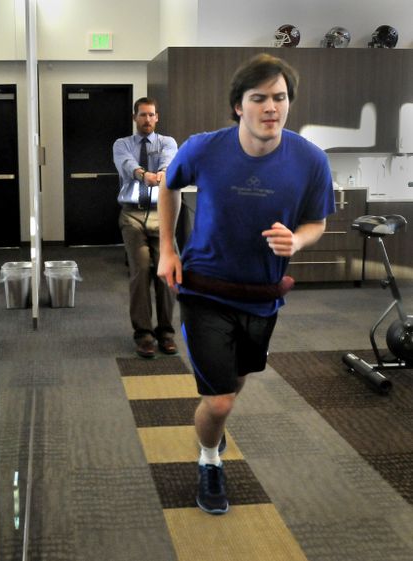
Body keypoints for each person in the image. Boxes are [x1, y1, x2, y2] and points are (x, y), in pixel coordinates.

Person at [157, 54, 334, 515]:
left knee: (232, 389)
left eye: (280, 97)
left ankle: (213, 436)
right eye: (259, 98)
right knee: (217, 403)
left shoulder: (310, 160)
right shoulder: (204, 148)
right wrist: (167, 250)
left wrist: (296, 240)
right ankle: (210, 459)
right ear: (239, 105)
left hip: (262, 298)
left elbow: (317, 222)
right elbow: (168, 186)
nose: (271, 107)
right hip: (204, 291)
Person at [112, 97, 179, 358]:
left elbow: (169, 160)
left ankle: (165, 332)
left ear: (157, 117)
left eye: (151, 115)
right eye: (142, 115)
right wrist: (143, 175)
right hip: (132, 216)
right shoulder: (122, 144)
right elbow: (126, 165)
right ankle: (144, 335)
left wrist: (161, 172)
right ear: (134, 117)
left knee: (166, 272)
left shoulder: (167, 142)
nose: (147, 120)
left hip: (162, 214)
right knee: (140, 270)